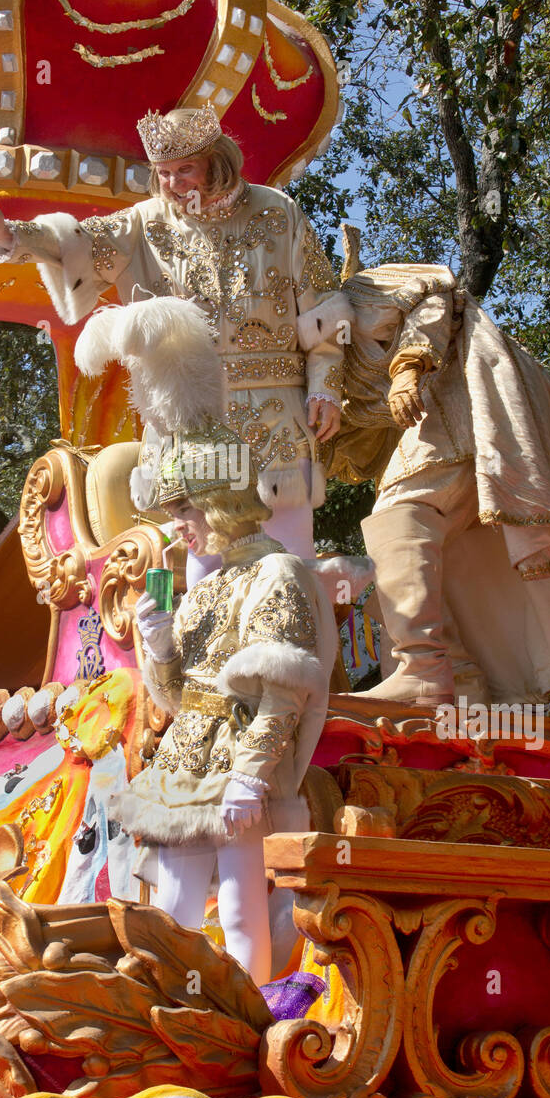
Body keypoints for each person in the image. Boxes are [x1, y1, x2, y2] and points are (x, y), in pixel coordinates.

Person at [73, 295, 370, 983]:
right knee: (173, 910)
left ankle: (248, 1022)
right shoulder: (195, 584)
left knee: (239, 908)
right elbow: (176, 697)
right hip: (184, 766)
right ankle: (186, 1018)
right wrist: (158, 641)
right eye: (174, 510)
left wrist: (249, 775)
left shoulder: (277, 573)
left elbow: (285, 696)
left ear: (222, 503)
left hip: (239, 770)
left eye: (184, 509)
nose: (177, 525)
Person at [0, 105, 353, 579]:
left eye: (185, 170)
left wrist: (326, 384)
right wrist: (6, 233)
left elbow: (322, 307)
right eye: (163, 174)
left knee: (289, 569)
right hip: (189, 420)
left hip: (277, 417)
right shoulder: (144, 223)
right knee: (205, 574)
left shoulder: (279, 212)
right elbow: (77, 242)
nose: (174, 185)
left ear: (217, 162)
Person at [326, 233, 550, 706]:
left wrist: (408, 367)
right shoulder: (323, 371)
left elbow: (432, 295)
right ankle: (465, 683)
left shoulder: (353, 295)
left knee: (401, 514)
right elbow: (358, 448)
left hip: (465, 397)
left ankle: (424, 667)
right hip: (455, 421)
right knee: (442, 555)